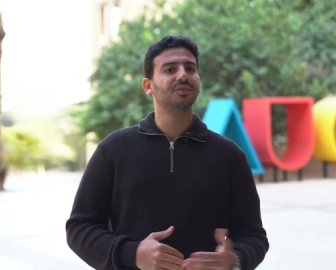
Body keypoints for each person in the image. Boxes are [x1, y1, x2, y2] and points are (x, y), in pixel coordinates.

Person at [66, 34, 269, 270]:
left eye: (190, 69)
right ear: (148, 86)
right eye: (170, 69)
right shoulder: (113, 149)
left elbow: (254, 237)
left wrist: (235, 260)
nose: (183, 75)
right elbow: (80, 228)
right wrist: (131, 254)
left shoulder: (229, 155)